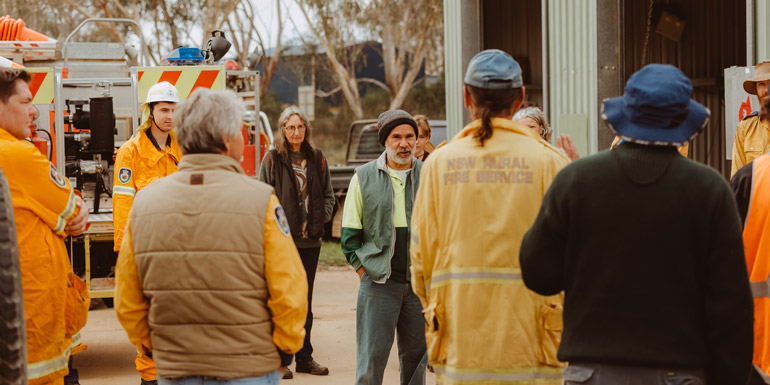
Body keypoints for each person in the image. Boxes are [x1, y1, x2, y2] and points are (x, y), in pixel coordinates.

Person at [520, 64, 754, 385]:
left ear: (625, 114)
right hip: (678, 373)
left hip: (591, 373)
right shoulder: (709, 190)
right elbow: (732, 306)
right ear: (683, 120)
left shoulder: (576, 180)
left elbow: (537, 272)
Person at [114, 88, 308, 385]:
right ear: (227, 139)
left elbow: (128, 298)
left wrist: (156, 347)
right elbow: (289, 291)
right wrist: (284, 352)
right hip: (247, 366)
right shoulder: (261, 201)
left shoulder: (145, 204)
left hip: (175, 367)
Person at [409, 49, 569, 385]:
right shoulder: (552, 162)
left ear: (466, 96)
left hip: (461, 347)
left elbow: (421, 259)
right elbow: (573, 258)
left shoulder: (439, 164)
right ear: (520, 98)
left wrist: (435, 307)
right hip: (534, 348)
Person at [0, 68, 91, 385]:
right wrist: (76, 206)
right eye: (25, 101)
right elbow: (70, 209)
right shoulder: (17, 154)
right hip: (30, 317)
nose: (34, 110)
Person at [341, 109, 427, 385]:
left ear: (417, 140)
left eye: (410, 136)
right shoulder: (363, 176)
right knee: (371, 361)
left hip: (418, 285)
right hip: (378, 284)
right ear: (385, 141)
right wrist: (363, 272)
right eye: (396, 137)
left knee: (416, 362)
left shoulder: (429, 175)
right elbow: (349, 236)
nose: (404, 143)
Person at [112, 81, 182, 385]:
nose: (169, 115)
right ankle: (150, 378)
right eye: (163, 109)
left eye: (173, 110)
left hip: (179, 248)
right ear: (150, 112)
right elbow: (122, 204)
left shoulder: (181, 147)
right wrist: (125, 251)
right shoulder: (130, 152)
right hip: (146, 248)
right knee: (148, 317)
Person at [258, 106, 334, 379]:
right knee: (279, 300)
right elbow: (262, 198)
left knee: (304, 302)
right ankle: (279, 360)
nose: (296, 132)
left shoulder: (317, 158)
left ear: (306, 130)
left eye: (300, 127)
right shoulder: (272, 159)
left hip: (310, 244)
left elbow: (328, 195)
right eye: (290, 127)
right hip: (281, 244)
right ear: (282, 130)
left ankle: (304, 357)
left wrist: (319, 220)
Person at [732, 60, 770, 177]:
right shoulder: (745, 127)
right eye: (761, 84)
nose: (766, 90)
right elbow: (737, 176)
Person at [514, 106, 580, 160]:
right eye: (522, 127)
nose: (527, 131)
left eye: (531, 127)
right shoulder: (511, 153)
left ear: (541, 129)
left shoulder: (551, 154)